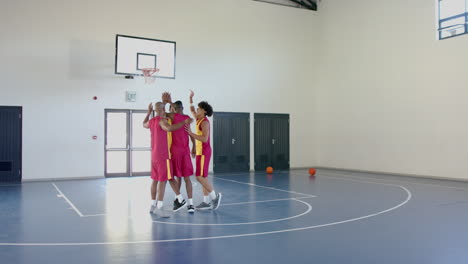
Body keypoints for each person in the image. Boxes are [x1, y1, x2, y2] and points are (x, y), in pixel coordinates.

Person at [143, 102, 192, 216]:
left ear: (154, 110)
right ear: (164, 109)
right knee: (163, 179)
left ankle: (153, 203)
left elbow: (143, 124)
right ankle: (160, 205)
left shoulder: (152, 121)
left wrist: (148, 113)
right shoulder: (162, 121)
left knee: (157, 179)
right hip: (163, 156)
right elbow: (169, 128)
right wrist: (183, 122)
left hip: (154, 156)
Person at [185, 90, 222, 210]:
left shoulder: (205, 123)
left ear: (204, 111)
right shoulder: (198, 119)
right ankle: (206, 201)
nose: (197, 110)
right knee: (203, 177)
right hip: (201, 151)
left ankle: (214, 197)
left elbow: (205, 139)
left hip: (204, 152)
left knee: (199, 177)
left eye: (199, 109)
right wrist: (191, 98)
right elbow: (191, 109)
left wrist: (191, 133)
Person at [163, 92, 197, 213]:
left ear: (175, 109)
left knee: (174, 177)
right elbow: (190, 133)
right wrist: (193, 146)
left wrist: (167, 102)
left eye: (172, 108)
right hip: (185, 152)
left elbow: (161, 112)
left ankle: (180, 198)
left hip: (176, 152)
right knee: (186, 178)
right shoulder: (187, 118)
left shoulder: (174, 116)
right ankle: (190, 204)